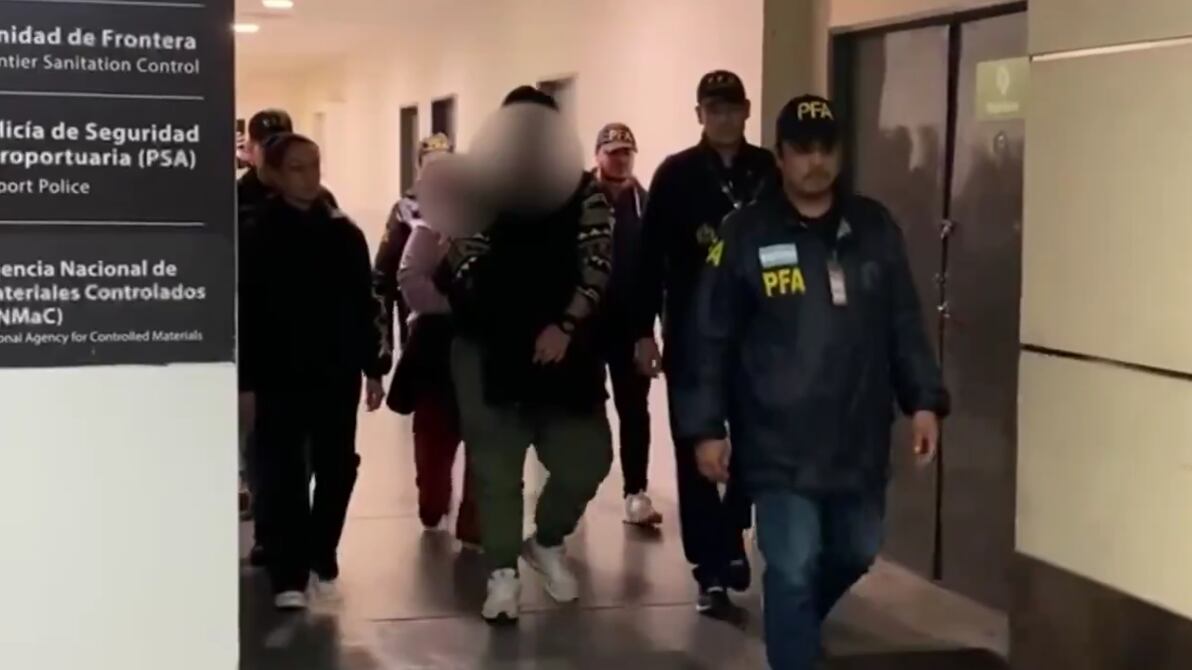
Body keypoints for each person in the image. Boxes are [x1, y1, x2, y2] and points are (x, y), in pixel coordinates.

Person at [675, 94, 949, 668]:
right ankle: (793, 640)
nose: (816, 161)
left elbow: (903, 319)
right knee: (793, 565)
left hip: (858, 435)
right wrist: (706, 428)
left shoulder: (873, 227)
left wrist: (923, 400)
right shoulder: (746, 233)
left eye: (826, 149)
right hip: (777, 443)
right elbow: (709, 337)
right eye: (802, 150)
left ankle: (792, 622)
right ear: (780, 156)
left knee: (857, 549)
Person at [445, 86, 614, 624]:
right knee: (497, 470)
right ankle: (502, 574)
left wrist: (565, 324)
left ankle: (547, 539)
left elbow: (597, 263)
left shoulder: (585, 191)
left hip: (565, 349)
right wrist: (516, 323)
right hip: (488, 349)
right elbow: (465, 260)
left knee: (587, 457)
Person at [635, 70, 777, 617]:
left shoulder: (767, 171)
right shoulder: (676, 176)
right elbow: (650, 259)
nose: (724, 118)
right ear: (699, 114)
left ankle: (734, 531)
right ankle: (709, 567)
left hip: (758, 333)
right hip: (693, 333)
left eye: (732, 108)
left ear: (747, 111)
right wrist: (642, 332)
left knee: (754, 438)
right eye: (713, 109)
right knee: (694, 444)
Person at [239, 133, 391, 611]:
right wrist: (245, 384)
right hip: (278, 373)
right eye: (297, 168)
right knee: (281, 471)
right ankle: (288, 570)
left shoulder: (344, 234)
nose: (309, 177)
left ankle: (321, 554)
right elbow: (246, 316)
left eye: (315, 166)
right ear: (275, 174)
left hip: (335, 371)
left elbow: (364, 304)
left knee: (337, 467)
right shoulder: (257, 235)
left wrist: (373, 367)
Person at [374, 133, 480, 547]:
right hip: (433, 345)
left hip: (481, 347)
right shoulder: (416, 220)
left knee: (484, 438)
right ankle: (433, 500)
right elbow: (398, 277)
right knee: (435, 436)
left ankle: (474, 519)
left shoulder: (489, 223)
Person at [591, 123, 660, 527]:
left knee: (634, 410)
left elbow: (656, 271)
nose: (620, 159)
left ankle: (636, 492)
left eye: (626, 153)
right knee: (583, 408)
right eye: (612, 152)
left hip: (630, 325)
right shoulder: (580, 199)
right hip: (585, 326)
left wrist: (649, 332)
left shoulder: (644, 205)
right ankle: (574, 485)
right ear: (598, 155)